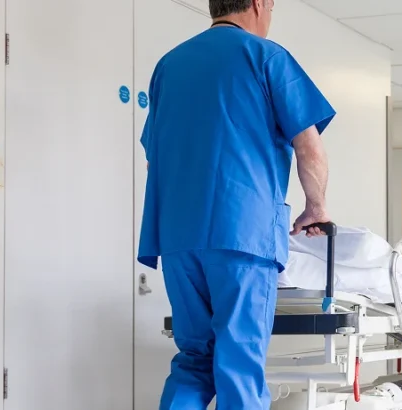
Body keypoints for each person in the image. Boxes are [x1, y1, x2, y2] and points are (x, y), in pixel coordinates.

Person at [136, 0, 337, 408]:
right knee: (239, 365)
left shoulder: (168, 66)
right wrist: (316, 207)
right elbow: (309, 147)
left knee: (194, 360)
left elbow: (153, 158)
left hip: (176, 239)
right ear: (260, 4)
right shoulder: (267, 57)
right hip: (243, 236)